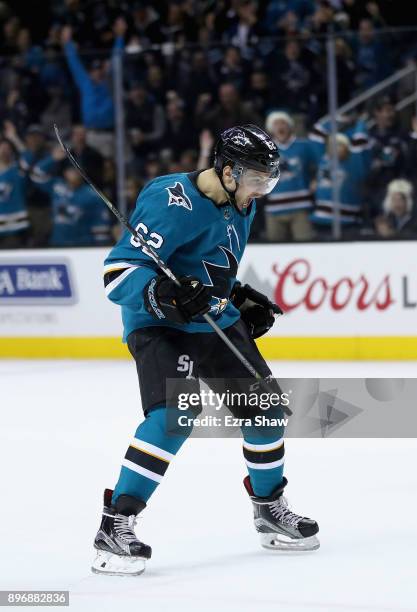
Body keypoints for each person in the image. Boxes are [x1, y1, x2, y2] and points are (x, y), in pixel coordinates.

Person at [93, 125, 319, 577]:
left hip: (213, 321)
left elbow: (208, 264)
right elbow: (117, 275)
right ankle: (115, 524)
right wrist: (166, 296)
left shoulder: (242, 203)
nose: (261, 190)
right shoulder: (171, 200)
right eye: (256, 179)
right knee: (174, 417)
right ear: (228, 170)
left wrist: (236, 296)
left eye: (268, 181)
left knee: (266, 411)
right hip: (159, 324)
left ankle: (269, 508)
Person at [264, 111, 317, 241]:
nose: (280, 126)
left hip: (300, 206)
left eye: (283, 123)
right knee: (274, 250)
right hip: (274, 208)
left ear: (290, 126)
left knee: (305, 245)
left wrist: (316, 180)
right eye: (276, 124)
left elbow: (321, 164)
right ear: (271, 129)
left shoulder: (304, 145)